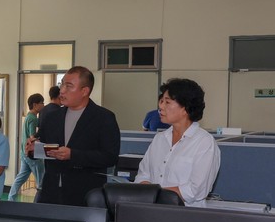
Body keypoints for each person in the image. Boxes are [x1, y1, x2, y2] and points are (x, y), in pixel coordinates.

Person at [28, 66, 120, 206]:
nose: (62, 90)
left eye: (69, 86)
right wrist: (32, 149)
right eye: (62, 84)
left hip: (85, 195)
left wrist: (73, 155)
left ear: (84, 91)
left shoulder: (103, 118)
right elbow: (42, 145)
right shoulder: (52, 117)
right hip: (51, 193)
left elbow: (110, 157)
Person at [135, 78, 220, 207]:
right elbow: (142, 175)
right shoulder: (159, 139)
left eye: (167, 102)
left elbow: (196, 190)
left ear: (185, 108)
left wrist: (155, 194)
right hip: (152, 212)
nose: (161, 106)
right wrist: (150, 192)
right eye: (162, 101)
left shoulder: (204, 142)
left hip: (185, 215)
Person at [8, 93, 44, 200]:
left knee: (20, 178)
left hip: (24, 153)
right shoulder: (33, 118)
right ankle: (40, 202)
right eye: (42, 103)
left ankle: (11, 198)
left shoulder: (29, 116)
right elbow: (32, 137)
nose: (43, 105)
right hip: (32, 154)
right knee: (41, 181)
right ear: (35, 105)